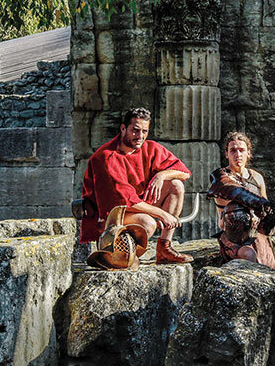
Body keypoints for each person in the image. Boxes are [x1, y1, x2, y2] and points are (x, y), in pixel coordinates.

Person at [80, 107, 193, 265]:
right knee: (147, 222)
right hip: (110, 215)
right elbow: (124, 200)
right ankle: (124, 254)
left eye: (144, 131)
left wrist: (162, 175)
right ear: (123, 128)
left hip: (137, 205)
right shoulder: (106, 157)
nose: (140, 136)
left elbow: (184, 173)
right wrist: (163, 214)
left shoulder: (150, 148)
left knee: (176, 185)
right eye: (135, 130)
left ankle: (164, 248)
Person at [208, 131, 275, 269]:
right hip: (235, 237)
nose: (238, 155)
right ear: (227, 154)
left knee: (270, 266)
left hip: (256, 233)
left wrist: (265, 216)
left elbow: (267, 209)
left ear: (248, 153)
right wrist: (257, 208)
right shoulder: (222, 177)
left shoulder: (257, 177)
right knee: (248, 254)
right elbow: (233, 193)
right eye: (233, 150)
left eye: (242, 150)